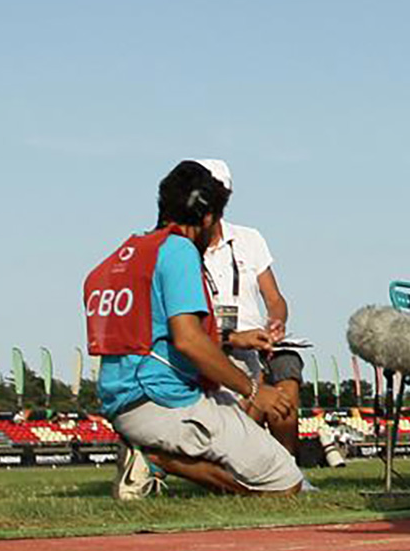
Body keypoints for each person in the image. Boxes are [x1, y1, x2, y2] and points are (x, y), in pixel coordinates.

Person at [85, 158, 304, 498]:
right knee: (287, 483)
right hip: (162, 399)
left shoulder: (127, 252)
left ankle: (150, 452)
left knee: (248, 448)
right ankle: (155, 457)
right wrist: (253, 389)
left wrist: (232, 342)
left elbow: (156, 331)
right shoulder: (179, 250)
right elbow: (188, 341)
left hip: (122, 399)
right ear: (206, 218)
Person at [200, 194, 305, 456]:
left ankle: (288, 464)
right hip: (218, 344)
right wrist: (234, 338)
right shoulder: (184, 251)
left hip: (260, 341)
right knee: (250, 402)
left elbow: (275, 299)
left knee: (287, 372)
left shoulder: (249, 239)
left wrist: (276, 321)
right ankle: (252, 460)